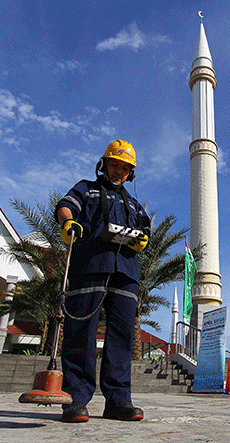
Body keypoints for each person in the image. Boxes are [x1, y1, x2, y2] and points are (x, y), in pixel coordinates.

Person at [55, 140, 151, 423]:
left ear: (131, 173)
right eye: (114, 165)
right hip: (90, 267)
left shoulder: (133, 203)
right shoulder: (86, 188)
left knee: (121, 337)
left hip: (126, 274)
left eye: (125, 168)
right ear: (103, 164)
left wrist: (143, 238)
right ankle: (75, 400)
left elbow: (145, 227)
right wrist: (68, 223)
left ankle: (118, 401)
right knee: (81, 333)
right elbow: (65, 206)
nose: (119, 171)